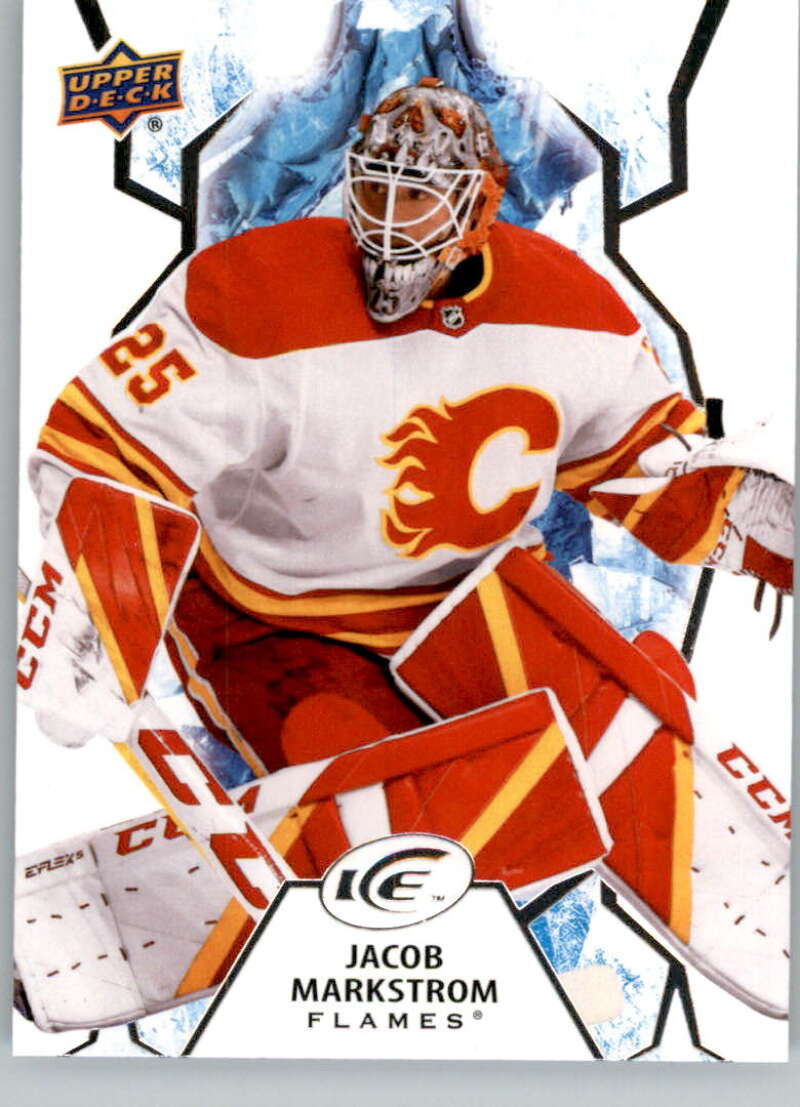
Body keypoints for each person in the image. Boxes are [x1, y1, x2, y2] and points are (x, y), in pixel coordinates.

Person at [31, 78, 792, 779]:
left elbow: (633, 452)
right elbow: (109, 440)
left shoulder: (571, 304)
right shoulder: (254, 290)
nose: (391, 222)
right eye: (377, 189)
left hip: (482, 603)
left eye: (419, 199)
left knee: (633, 749)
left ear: (479, 207)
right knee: (385, 798)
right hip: (276, 619)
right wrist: (97, 600)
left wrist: (743, 509)